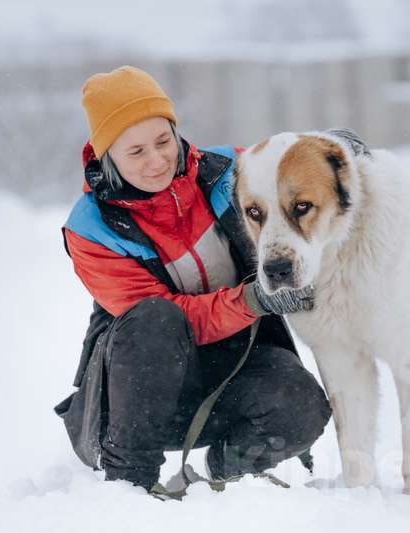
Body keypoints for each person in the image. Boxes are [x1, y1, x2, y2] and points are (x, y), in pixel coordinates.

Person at [54, 65, 331, 492]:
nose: (157, 160)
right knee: (155, 318)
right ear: (107, 155)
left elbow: (290, 165)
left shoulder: (231, 173)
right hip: (138, 395)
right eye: (136, 152)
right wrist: (254, 301)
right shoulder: (92, 230)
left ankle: (221, 472)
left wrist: (332, 149)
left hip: (234, 367)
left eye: (163, 141)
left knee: (302, 407)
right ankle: (129, 486)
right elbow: (172, 319)